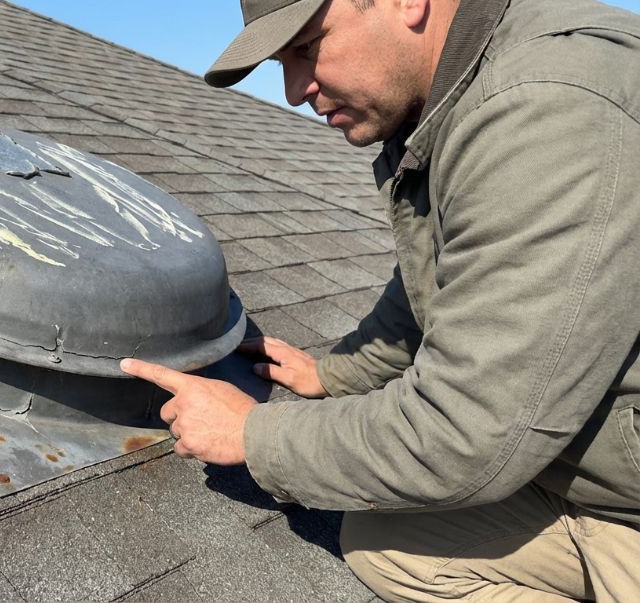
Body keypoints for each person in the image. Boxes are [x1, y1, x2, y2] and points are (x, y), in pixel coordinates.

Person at [120, 0, 640, 599]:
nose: (294, 92)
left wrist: (255, 434)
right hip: (585, 480)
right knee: (385, 541)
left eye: (307, 46)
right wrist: (339, 375)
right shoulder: (447, 99)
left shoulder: (549, 107)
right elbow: (445, 277)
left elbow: (464, 433)